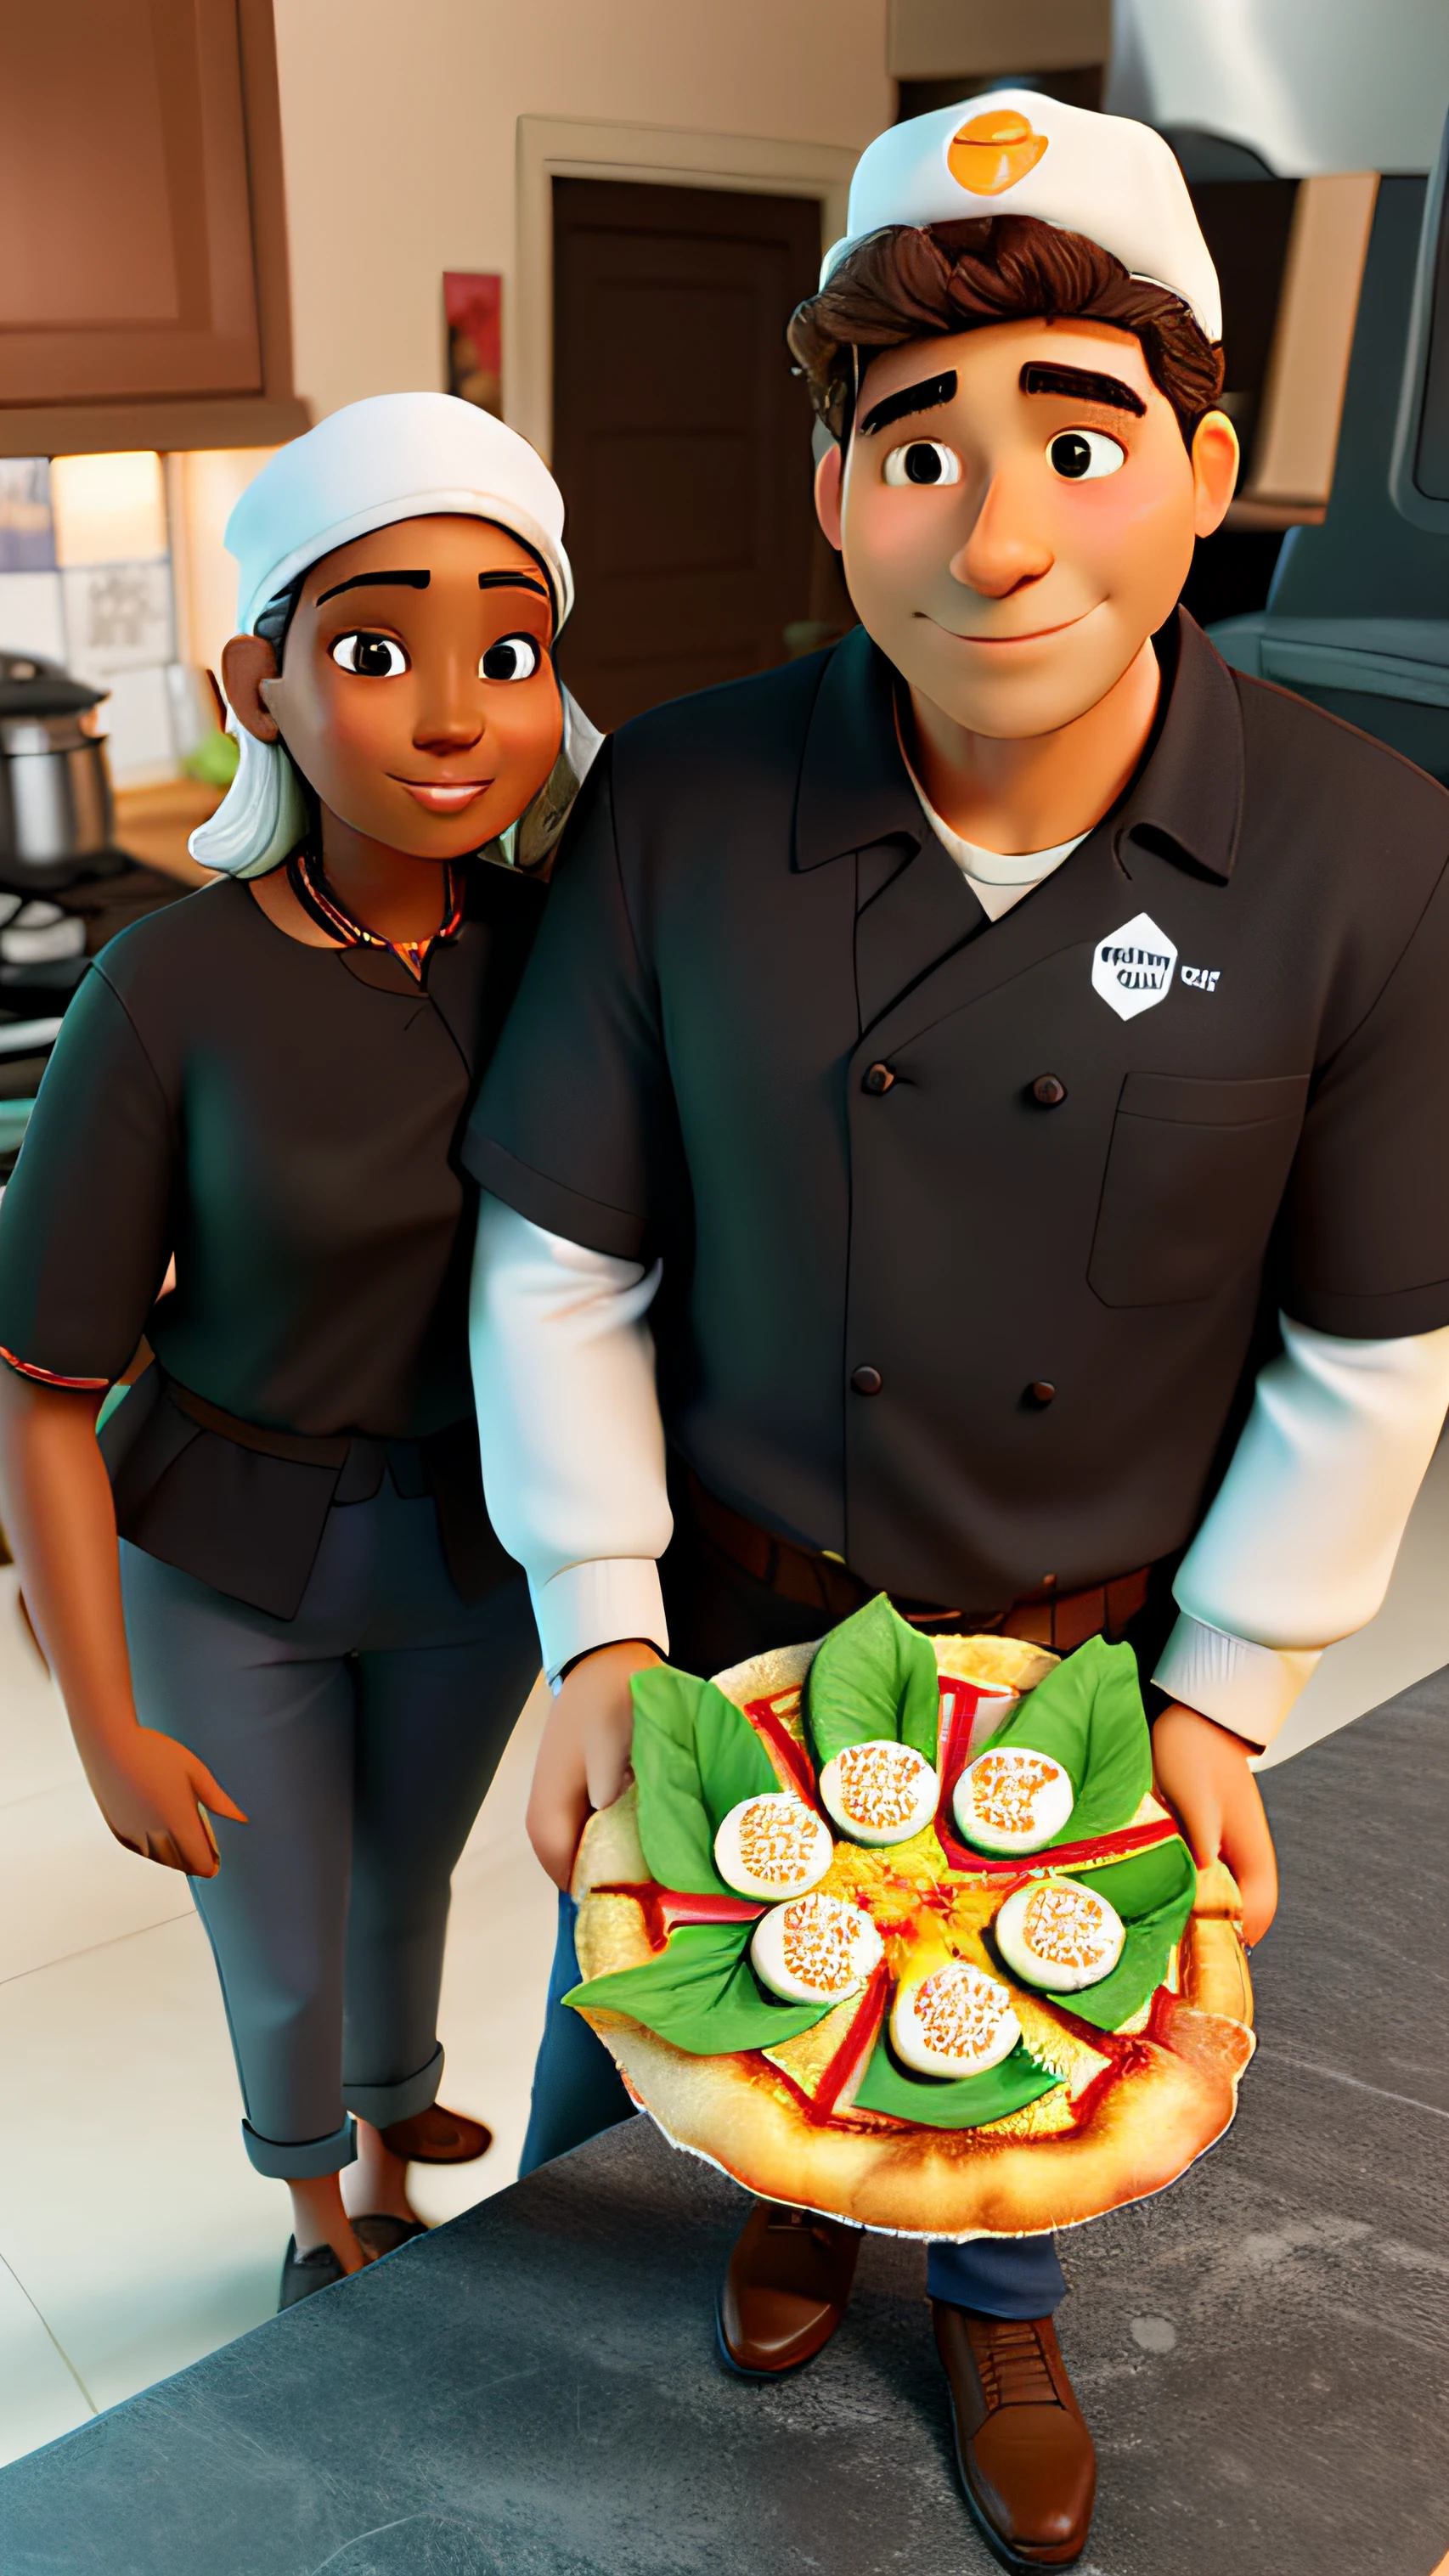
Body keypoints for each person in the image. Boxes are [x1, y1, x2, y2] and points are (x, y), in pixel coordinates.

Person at [466, 95, 1449, 2572]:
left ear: (1205, 468)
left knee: (1034, 2053)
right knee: (728, 2054)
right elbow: (563, 1259)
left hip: (1091, 1662)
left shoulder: (1362, 854)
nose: (997, 536)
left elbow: (1366, 1342)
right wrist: (595, 1631)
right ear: (831, 495)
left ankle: (997, 2308)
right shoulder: (681, 806)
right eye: (920, 450)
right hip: (729, 1637)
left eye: (1080, 440)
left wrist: (1230, 1684)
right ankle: (793, 2219)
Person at [0, 394, 598, 2308]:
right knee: (275, 1916)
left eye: (505, 653)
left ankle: (391, 2094)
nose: (450, 716)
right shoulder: (164, 988)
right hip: (227, 1553)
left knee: (403, 1876)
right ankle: (316, 2203)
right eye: (372, 649)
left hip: (471, 1546)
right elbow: (41, 1386)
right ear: (256, 682)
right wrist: (102, 1718)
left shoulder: (568, 948)